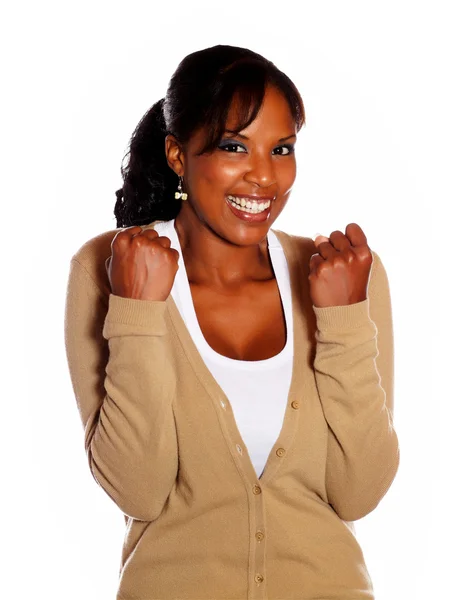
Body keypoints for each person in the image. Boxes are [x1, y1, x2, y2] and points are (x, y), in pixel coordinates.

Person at [64, 44, 400, 600]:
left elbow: (359, 491)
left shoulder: (342, 275)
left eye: (282, 148)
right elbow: (139, 491)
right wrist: (138, 314)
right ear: (177, 155)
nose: (264, 177)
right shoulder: (107, 269)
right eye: (233, 147)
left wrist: (341, 324)